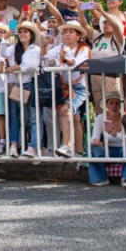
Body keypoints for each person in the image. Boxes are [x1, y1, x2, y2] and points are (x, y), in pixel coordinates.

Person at [87, 91, 126, 188]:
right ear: (106, 105)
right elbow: (94, 137)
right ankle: (100, 178)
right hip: (108, 149)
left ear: (121, 105)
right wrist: (96, 141)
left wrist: (116, 134)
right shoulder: (100, 118)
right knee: (92, 148)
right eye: (111, 103)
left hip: (124, 149)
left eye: (117, 103)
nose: (114, 106)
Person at [53, 20, 90, 158]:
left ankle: (67, 146)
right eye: (65, 32)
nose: (67, 35)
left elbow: (79, 63)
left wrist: (65, 59)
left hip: (78, 88)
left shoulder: (83, 49)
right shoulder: (59, 47)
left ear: (78, 35)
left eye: (71, 32)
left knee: (65, 110)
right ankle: (79, 151)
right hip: (63, 87)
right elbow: (45, 56)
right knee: (75, 117)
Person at [6, 22, 42, 158]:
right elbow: (3, 52)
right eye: (20, 32)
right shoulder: (15, 48)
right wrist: (5, 38)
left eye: (25, 32)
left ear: (31, 34)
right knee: (16, 116)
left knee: (33, 117)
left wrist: (17, 67)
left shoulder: (35, 49)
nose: (22, 34)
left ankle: (33, 146)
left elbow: (32, 66)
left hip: (30, 84)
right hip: (17, 85)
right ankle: (14, 145)